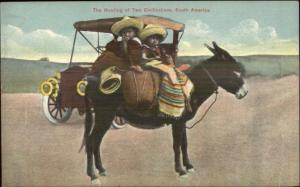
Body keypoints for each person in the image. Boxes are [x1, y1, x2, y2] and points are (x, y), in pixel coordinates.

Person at [139, 24, 194, 118]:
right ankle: (166, 99)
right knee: (168, 71)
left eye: (156, 38)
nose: (155, 40)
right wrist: (158, 59)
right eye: (152, 38)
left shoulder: (159, 48)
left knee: (178, 73)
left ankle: (183, 93)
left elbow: (163, 58)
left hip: (158, 64)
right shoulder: (145, 48)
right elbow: (144, 59)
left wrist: (166, 59)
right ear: (147, 39)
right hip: (149, 64)